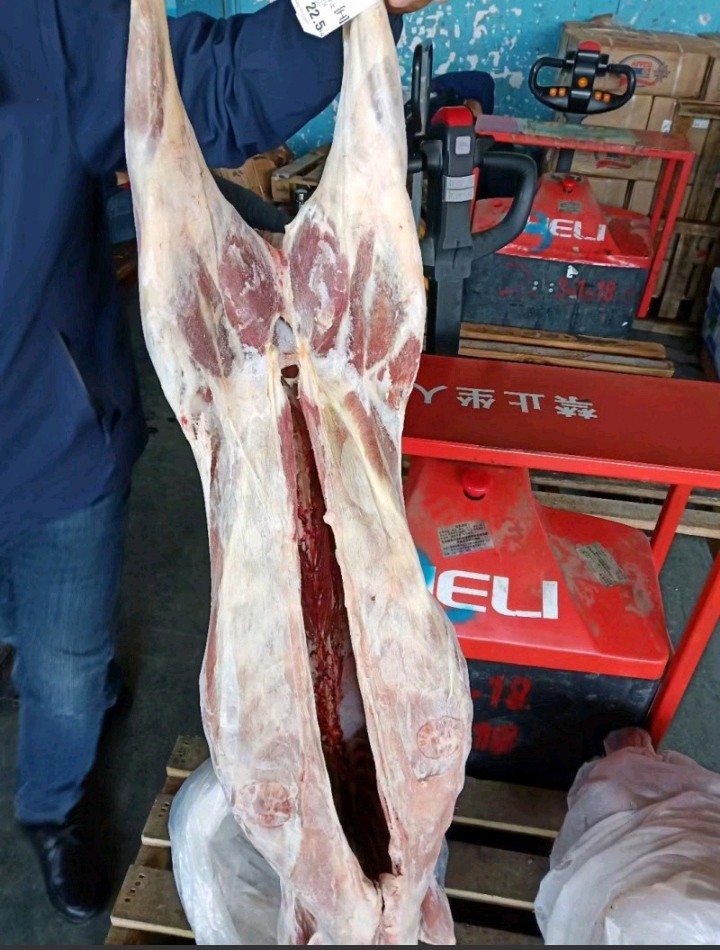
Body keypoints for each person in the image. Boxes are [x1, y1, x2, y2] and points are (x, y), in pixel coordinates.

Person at [0, 0, 438, 925]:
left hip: (50, 449)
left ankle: (54, 806)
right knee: (28, 636)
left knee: (66, 662)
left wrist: (346, 10)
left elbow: (217, 85)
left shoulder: (31, 28)